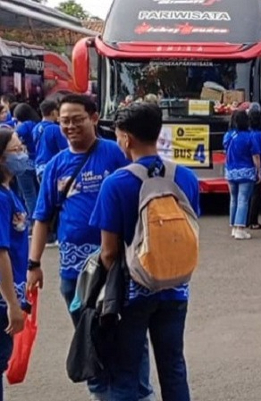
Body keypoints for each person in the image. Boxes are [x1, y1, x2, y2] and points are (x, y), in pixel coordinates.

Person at [27, 95, 153, 401]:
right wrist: (34, 264)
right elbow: (42, 218)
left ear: (94, 118)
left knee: (127, 337)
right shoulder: (56, 165)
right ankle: (100, 393)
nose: (69, 126)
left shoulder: (115, 154)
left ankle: (139, 392)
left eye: (76, 119)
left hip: (116, 269)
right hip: (75, 275)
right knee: (90, 335)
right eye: (64, 120)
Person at [90, 102, 199, 400]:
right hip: (176, 287)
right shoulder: (186, 177)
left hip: (133, 292)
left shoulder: (116, 183)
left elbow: (109, 252)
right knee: (174, 366)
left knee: (126, 369)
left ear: (125, 138)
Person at [0, 128, 30, 400]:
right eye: (16, 150)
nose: (23, 154)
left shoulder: (10, 190)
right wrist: (11, 304)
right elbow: (0, 254)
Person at [224, 110, 261, 240]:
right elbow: (255, 156)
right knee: (243, 199)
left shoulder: (228, 136)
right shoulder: (250, 136)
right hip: (246, 171)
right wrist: (259, 171)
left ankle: (234, 227)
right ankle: (240, 228)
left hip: (230, 171)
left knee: (233, 199)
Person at [12, 104, 41, 224]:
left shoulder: (23, 126)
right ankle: (42, 219)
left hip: (25, 163)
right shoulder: (38, 124)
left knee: (28, 194)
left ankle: (33, 221)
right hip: (38, 163)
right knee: (39, 193)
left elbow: (14, 137)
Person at [33, 100, 68, 182]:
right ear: (53, 112)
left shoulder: (35, 128)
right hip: (52, 168)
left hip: (38, 168)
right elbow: (65, 149)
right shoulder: (55, 129)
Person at [246, 104, 261, 230]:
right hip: (256, 167)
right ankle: (253, 221)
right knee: (256, 194)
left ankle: (245, 220)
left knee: (245, 196)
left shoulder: (246, 133)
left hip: (245, 166)